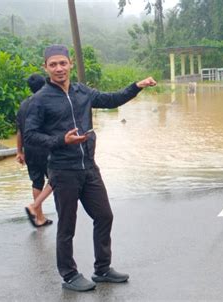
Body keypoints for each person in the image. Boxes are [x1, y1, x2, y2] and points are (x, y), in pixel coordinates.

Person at [24, 44, 157, 292]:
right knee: (67, 225)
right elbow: (30, 135)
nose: (59, 68)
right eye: (53, 65)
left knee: (104, 216)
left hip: (88, 167)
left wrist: (136, 87)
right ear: (46, 68)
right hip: (63, 171)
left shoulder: (80, 91)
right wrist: (60, 140)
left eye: (62, 63)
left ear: (70, 64)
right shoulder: (40, 100)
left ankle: (102, 269)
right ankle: (69, 274)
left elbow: (110, 99)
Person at [16, 74, 53, 227]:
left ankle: (39, 218)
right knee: (56, 178)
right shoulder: (46, 102)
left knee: (37, 182)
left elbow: (19, 131)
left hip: (30, 150)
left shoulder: (23, 105)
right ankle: (36, 206)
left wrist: (19, 151)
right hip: (46, 147)